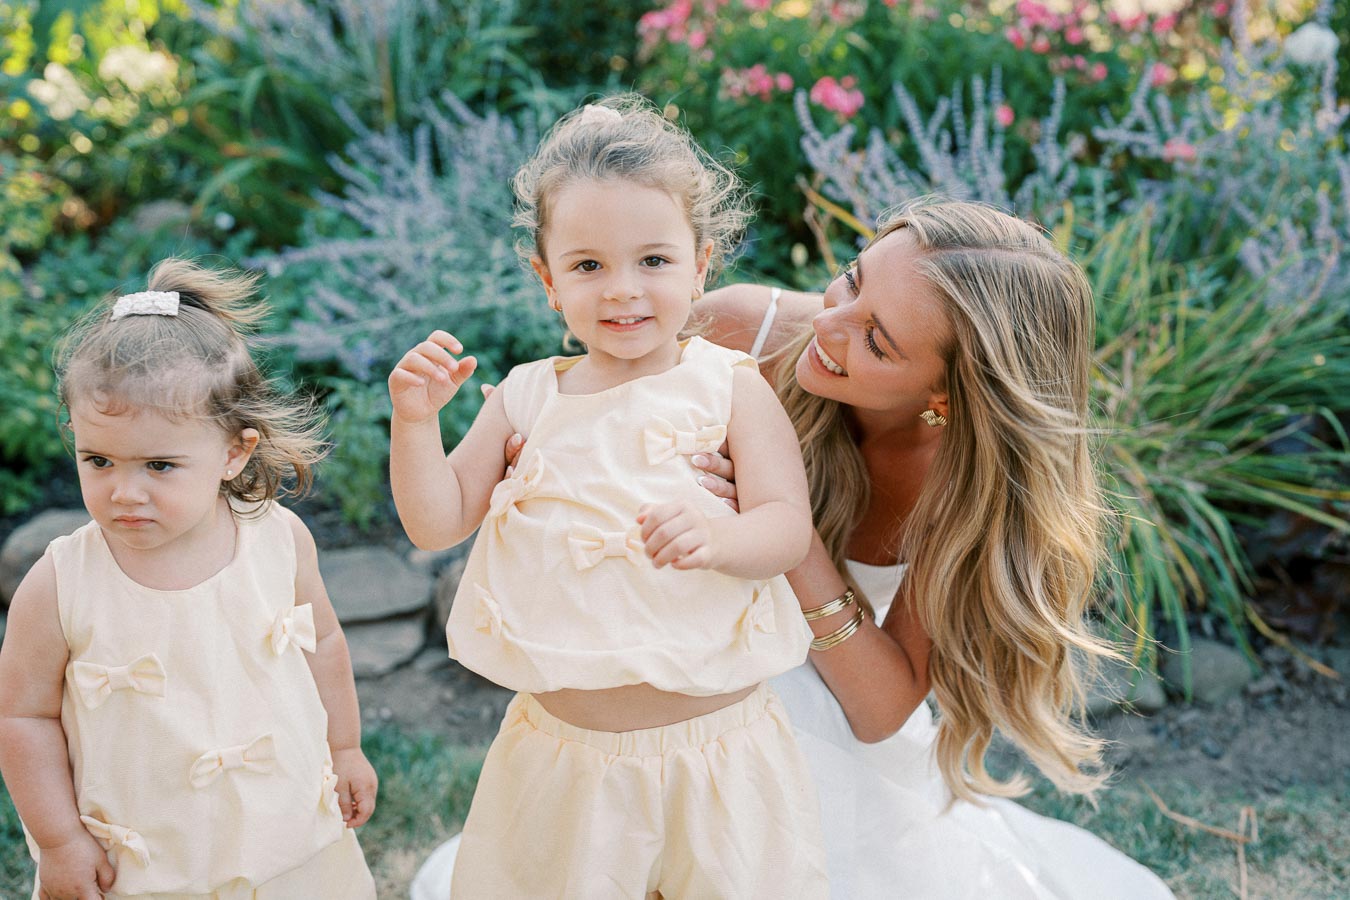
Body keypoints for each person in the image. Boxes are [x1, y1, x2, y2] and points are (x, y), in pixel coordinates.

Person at [414, 197, 1175, 898]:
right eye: (850, 281)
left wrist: (776, 523)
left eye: (875, 339)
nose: (828, 325)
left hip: (826, 709)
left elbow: (880, 709)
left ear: (948, 395)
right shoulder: (738, 331)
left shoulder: (961, 486)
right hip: (673, 649)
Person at [389, 96, 828, 898]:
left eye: (653, 261)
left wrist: (721, 536)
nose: (623, 290)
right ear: (548, 280)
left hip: (715, 752)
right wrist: (415, 424)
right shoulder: (524, 397)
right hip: (565, 758)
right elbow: (436, 517)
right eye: (589, 265)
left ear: (701, 265)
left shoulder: (729, 387)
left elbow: (786, 526)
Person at [0, 259, 378, 900]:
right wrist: (62, 841)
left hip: (282, 832)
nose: (125, 492)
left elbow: (326, 646)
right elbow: (24, 717)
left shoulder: (277, 540)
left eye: (159, 465)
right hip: (144, 859)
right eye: (99, 460)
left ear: (234, 453)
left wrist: (344, 748)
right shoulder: (61, 582)